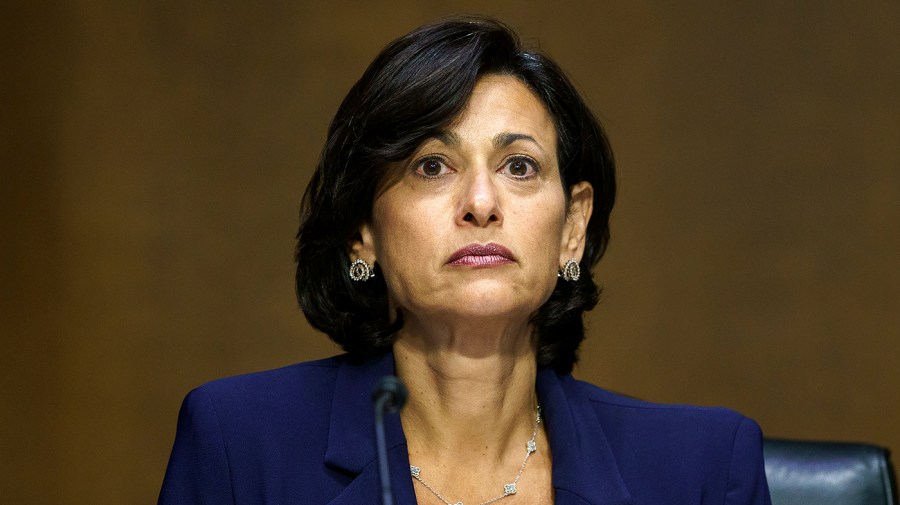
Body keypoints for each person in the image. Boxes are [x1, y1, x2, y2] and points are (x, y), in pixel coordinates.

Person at [159, 16, 771, 505]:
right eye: (432, 166)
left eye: (519, 166)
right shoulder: (238, 445)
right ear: (360, 231)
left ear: (572, 230)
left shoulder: (704, 469)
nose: (481, 203)